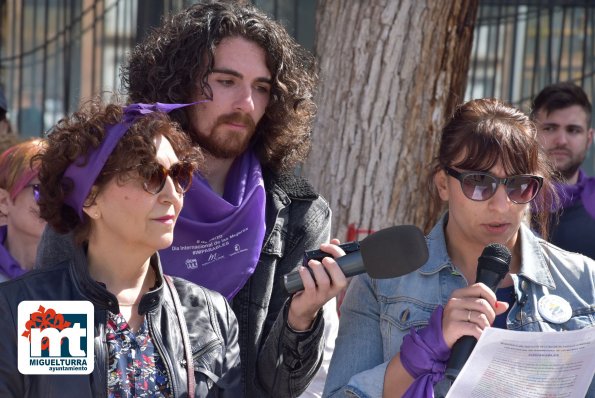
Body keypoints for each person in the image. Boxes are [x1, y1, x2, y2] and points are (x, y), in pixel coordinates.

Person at [121, 2, 346, 397]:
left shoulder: (298, 214)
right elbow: (50, 356)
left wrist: (301, 318)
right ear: (177, 84)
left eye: (261, 88)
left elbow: (278, 388)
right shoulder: (109, 194)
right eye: (226, 81)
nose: (246, 104)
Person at [323, 98, 595, 397]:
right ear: (443, 184)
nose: (501, 205)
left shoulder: (583, 280)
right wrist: (424, 351)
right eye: (479, 182)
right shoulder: (382, 280)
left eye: (518, 186)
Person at [0, 98, 242, 397]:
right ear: (90, 199)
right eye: (150, 176)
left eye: (179, 175)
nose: (173, 195)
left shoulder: (210, 313)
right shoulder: (26, 310)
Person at [530, 82, 595, 259]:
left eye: (573, 130)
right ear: (531, 133)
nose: (561, 140)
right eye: (550, 128)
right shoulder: (506, 194)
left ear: (589, 139)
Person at [0, 138, 46, 281]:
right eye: (42, 191)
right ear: (4, 201)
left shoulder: (83, 272)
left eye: (63, 190)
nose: (55, 201)